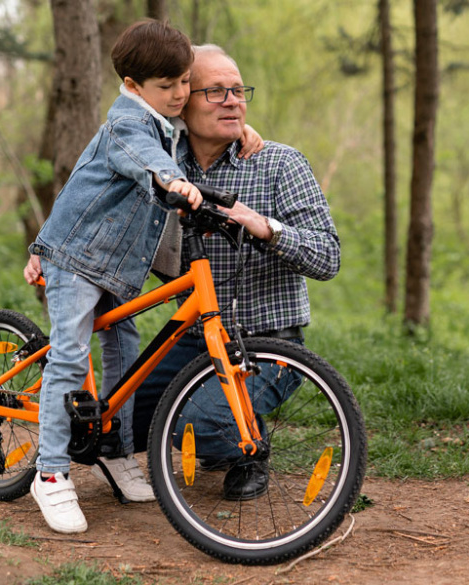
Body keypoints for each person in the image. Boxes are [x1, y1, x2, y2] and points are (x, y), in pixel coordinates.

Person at [130, 44, 341, 501]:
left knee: (192, 424)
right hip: (191, 341)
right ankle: (221, 427)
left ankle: (247, 445)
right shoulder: (164, 160)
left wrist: (266, 228)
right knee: (118, 422)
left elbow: (328, 257)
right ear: (183, 100)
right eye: (216, 92)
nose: (234, 101)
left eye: (238, 90)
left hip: (266, 344)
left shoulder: (279, 164)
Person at [23, 20, 205, 535]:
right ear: (132, 86)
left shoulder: (167, 120)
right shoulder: (127, 123)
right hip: (78, 260)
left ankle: (116, 451)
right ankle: (51, 472)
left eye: (183, 82)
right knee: (70, 354)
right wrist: (172, 179)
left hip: (116, 268)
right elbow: (141, 158)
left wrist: (247, 129)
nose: (179, 94)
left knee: (126, 356)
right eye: (166, 87)